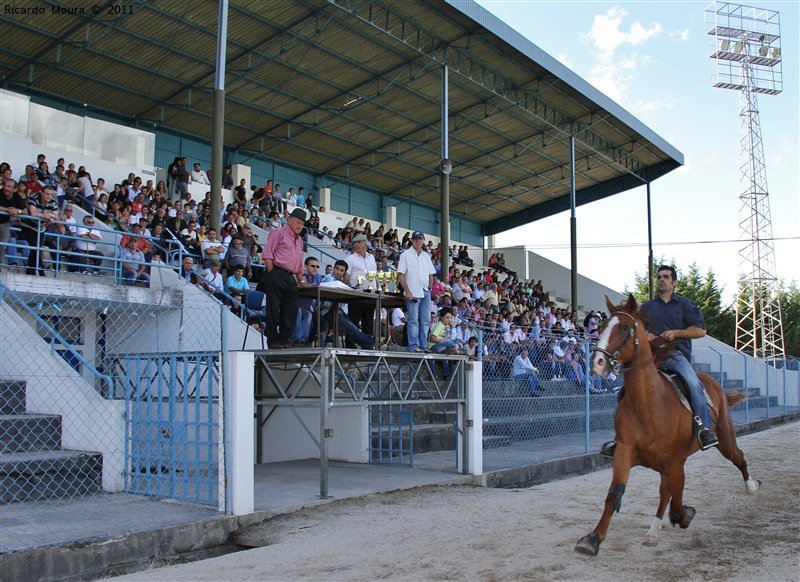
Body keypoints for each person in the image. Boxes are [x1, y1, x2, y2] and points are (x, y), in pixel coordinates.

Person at [601, 265, 718, 458]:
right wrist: (645, 335)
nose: (661, 280)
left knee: (693, 382)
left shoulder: (685, 305)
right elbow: (635, 329)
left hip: (675, 355)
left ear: (674, 282)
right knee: (625, 391)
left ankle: (704, 428)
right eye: (659, 277)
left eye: (665, 277)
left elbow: (700, 331)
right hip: (650, 358)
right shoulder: (647, 307)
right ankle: (619, 438)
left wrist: (677, 333)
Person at [256, 206, 306, 349]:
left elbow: (299, 262)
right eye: (298, 222)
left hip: (290, 276)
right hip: (277, 272)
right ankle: (272, 341)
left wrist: (302, 281)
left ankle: (285, 340)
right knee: (274, 308)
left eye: (302, 224)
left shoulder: (300, 240)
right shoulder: (278, 232)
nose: (300, 226)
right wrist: (272, 274)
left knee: (291, 309)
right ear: (290, 220)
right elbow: (268, 253)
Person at [396, 230, 436, 353]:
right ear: (412, 240)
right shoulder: (405, 255)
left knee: (425, 321)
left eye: (420, 239)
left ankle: (423, 346)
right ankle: (414, 346)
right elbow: (401, 275)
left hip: (425, 291)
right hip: (412, 291)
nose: (418, 241)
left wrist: (429, 287)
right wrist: (407, 291)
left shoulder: (426, 256)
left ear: (423, 241)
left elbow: (431, 273)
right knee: (413, 320)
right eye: (416, 239)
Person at [344, 233, 377, 339]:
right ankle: (350, 345)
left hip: (370, 292)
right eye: (355, 243)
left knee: (368, 321)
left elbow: (375, 274)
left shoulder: (371, 257)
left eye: (359, 242)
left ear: (365, 244)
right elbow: (347, 277)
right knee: (354, 320)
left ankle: (368, 345)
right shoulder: (350, 259)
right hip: (356, 293)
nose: (356, 245)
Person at [21, 185, 59, 276]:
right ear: (41, 193)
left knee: (35, 249)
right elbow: (33, 213)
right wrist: (44, 215)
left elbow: (56, 216)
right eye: (47, 194)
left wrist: (51, 216)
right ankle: (41, 270)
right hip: (28, 225)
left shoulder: (53, 201)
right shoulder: (33, 198)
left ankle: (30, 271)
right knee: (35, 247)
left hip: (40, 228)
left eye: (50, 194)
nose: (49, 196)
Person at [290, 256, 323, 345]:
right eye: (313, 266)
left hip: (308, 308)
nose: (315, 268)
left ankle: (303, 341)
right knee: (299, 311)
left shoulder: (319, 278)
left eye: (317, 267)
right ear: (305, 267)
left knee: (312, 316)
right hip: (293, 306)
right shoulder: (300, 276)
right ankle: (296, 340)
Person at [0, 178, 26, 272]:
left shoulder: (17, 197)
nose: (6, 188)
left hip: (5, 223)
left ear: (14, 189)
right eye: (5, 185)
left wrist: (17, 210)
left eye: (9, 186)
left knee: (3, 246)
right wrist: (8, 210)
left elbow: (25, 211)